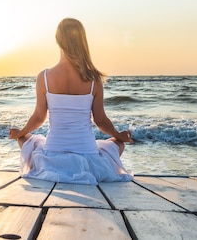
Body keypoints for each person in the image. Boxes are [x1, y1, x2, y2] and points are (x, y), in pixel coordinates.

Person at [8, 18, 133, 184]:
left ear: (58, 40)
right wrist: (119, 135)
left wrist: (20, 133)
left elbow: (39, 117)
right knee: (117, 144)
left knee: (25, 140)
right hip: (88, 155)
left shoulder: (44, 77)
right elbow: (100, 121)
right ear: (82, 41)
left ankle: (31, 144)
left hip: (52, 156)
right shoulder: (94, 79)